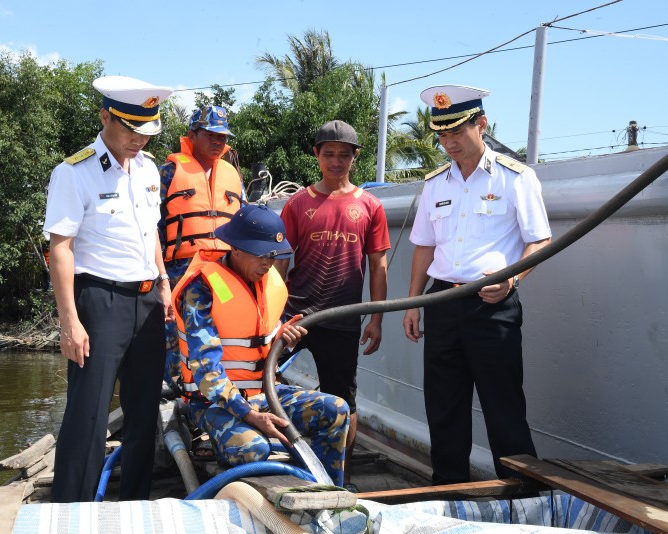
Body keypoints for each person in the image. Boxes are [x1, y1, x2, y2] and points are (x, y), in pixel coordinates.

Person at [403, 84, 552, 485]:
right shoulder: (435, 184)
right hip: (443, 302)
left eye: (457, 132)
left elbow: (540, 240)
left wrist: (512, 279)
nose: (448, 142)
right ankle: (448, 491)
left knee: (503, 406)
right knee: (444, 406)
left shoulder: (515, 178)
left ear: (481, 124)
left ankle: (523, 497)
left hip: (493, 306)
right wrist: (414, 303)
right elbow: (423, 248)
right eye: (442, 134)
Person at [43, 75, 175, 502]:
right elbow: (60, 248)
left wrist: (164, 281)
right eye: (131, 129)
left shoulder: (150, 168)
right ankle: (69, 511)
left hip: (147, 300)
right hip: (99, 300)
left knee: (142, 413)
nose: (139, 139)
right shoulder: (73, 172)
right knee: (88, 413)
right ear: (105, 117)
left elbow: (151, 230)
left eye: (147, 131)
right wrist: (69, 322)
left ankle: (133, 504)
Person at [172, 204, 350, 485]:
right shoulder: (200, 289)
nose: (268, 263)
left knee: (336, 410)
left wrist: (284, 341)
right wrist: (251, 416)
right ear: (237, 248)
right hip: (212, 403)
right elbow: (207, 373)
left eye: (273, 255)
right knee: (252, 449)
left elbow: (258, 351)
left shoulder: (267, 282)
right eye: (262, 254)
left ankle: (326, 494)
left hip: (263, 393)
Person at [275, 120, 390, 489]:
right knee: (255, 380)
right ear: (317, 155)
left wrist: (375, 319)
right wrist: (271, 317)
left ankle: (342, 478)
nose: (336, 161)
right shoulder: (297, 203)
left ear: (355, 158)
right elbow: (278, 263)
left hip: (342, 319)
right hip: (294, 317)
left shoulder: (370, 206)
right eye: (329, 154)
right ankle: (266, 458)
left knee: (344, 400)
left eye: (344, 155)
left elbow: (379, 266)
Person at [158, 106, 245, 384]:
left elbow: (243, 223)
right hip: (179, 270)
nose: (218, 141)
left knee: (218, 328)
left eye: (222, 136)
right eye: (210, 135)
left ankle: (216, 388)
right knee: (175, 333)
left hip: (221, 270)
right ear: (192, 135)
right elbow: (153, 226)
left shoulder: (233, 175)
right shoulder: (169, 173)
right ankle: (171, 390)